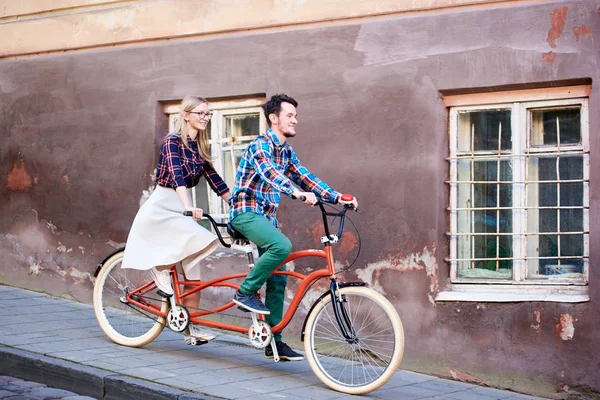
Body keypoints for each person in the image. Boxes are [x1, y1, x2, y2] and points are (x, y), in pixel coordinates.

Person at [229, 94, 358, 361]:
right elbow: (271, 175)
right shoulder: (260, 147)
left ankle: (273, 340)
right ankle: (245, 292)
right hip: (245, 213)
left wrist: (337, 196)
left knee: (280, 274)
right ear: (274, 119)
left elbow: (305, 176)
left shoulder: (285, 151)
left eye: (295, 116)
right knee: (281, 246)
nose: (295, 120)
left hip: (265, 219)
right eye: (290, 115)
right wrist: (296, 193)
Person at [122, 96, 231, 346]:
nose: (205, 117)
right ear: (185, 115)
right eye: (200, 113)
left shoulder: (199, 148)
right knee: (203, 238)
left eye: (208, 114)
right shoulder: (172, 141)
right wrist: (189, 206)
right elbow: (177, 176)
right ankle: (160, 268)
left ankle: (190, 328)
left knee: (195, 273)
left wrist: (237, 205)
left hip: (180, 207)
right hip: (163, 205)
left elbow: (217, 182)